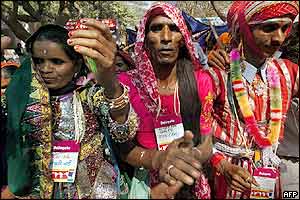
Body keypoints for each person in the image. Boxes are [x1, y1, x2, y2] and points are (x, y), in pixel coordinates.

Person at [77, 2, 214, 199]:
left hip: (190, 182)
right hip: (145, 187)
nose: (166, 37)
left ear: (183, 39)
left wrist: (186, 162)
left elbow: (207, 140)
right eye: (157, 28)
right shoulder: (126, 83)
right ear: (145, 38)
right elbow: (123, 149)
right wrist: (157, 160)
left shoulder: (201, 81)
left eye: (173, 29)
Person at [1, 24, 135, 199]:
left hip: (94, 190)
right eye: (39, 61)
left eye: (57, 62)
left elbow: (123, 132)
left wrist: (110, 82)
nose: (46, 69)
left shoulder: (89, 96)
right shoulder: (22, 100)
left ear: (77, 64)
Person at [206, 1, 299, 199]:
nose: (279, 38)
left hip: (271, 177)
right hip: (228, 180)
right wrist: (222, 165)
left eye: (285, 28)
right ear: (243, 30)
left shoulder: (287, 72)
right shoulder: (217, 74)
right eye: (269, 28)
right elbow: (197, 132)